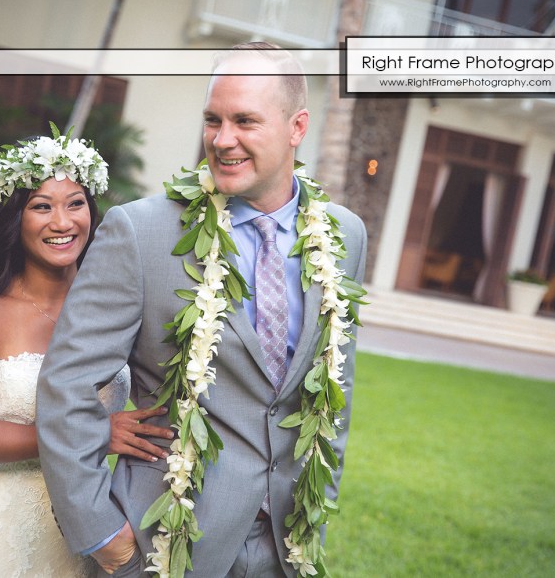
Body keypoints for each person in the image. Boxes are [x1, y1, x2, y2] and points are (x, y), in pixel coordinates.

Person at [37, 44, 367, 577]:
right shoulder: (140, 232)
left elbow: (337, 394)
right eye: (213, 119)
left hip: (282, 550)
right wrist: (102, 536)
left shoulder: (345, 236)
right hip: (161, 545)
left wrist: (312, 524)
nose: (222, 139)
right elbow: (66, 387)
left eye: (245, 121)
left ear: (297, 127)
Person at [0, 127, 173, 577]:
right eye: (41, 207)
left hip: (95, 526)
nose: (63, 223)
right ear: (12, 219)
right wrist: (91, 435)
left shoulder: (116, 304)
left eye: (75, 203)